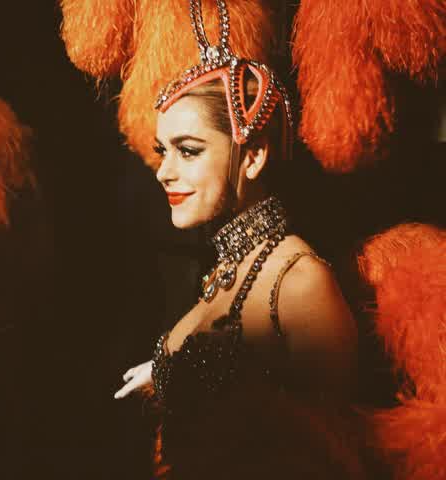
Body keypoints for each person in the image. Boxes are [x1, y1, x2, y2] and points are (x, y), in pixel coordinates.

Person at [113, 1, 367, 478]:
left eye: (188, 151)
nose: (164, 172)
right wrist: (164, 372)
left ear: (253, 157)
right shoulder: (227, 269)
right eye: (163, 151)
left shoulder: (298, 283)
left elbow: (332, 458)